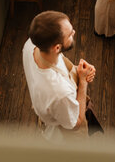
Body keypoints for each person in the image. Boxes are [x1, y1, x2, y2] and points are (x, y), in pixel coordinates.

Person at [23, 11, 101, 140]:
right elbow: (76, 123)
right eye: (70, 34)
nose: (74, 32)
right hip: (63, 136)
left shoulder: (31, 45)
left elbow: (59, 67)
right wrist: (83, 81)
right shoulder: (60, 92)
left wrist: (79, 70)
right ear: (57, 48)